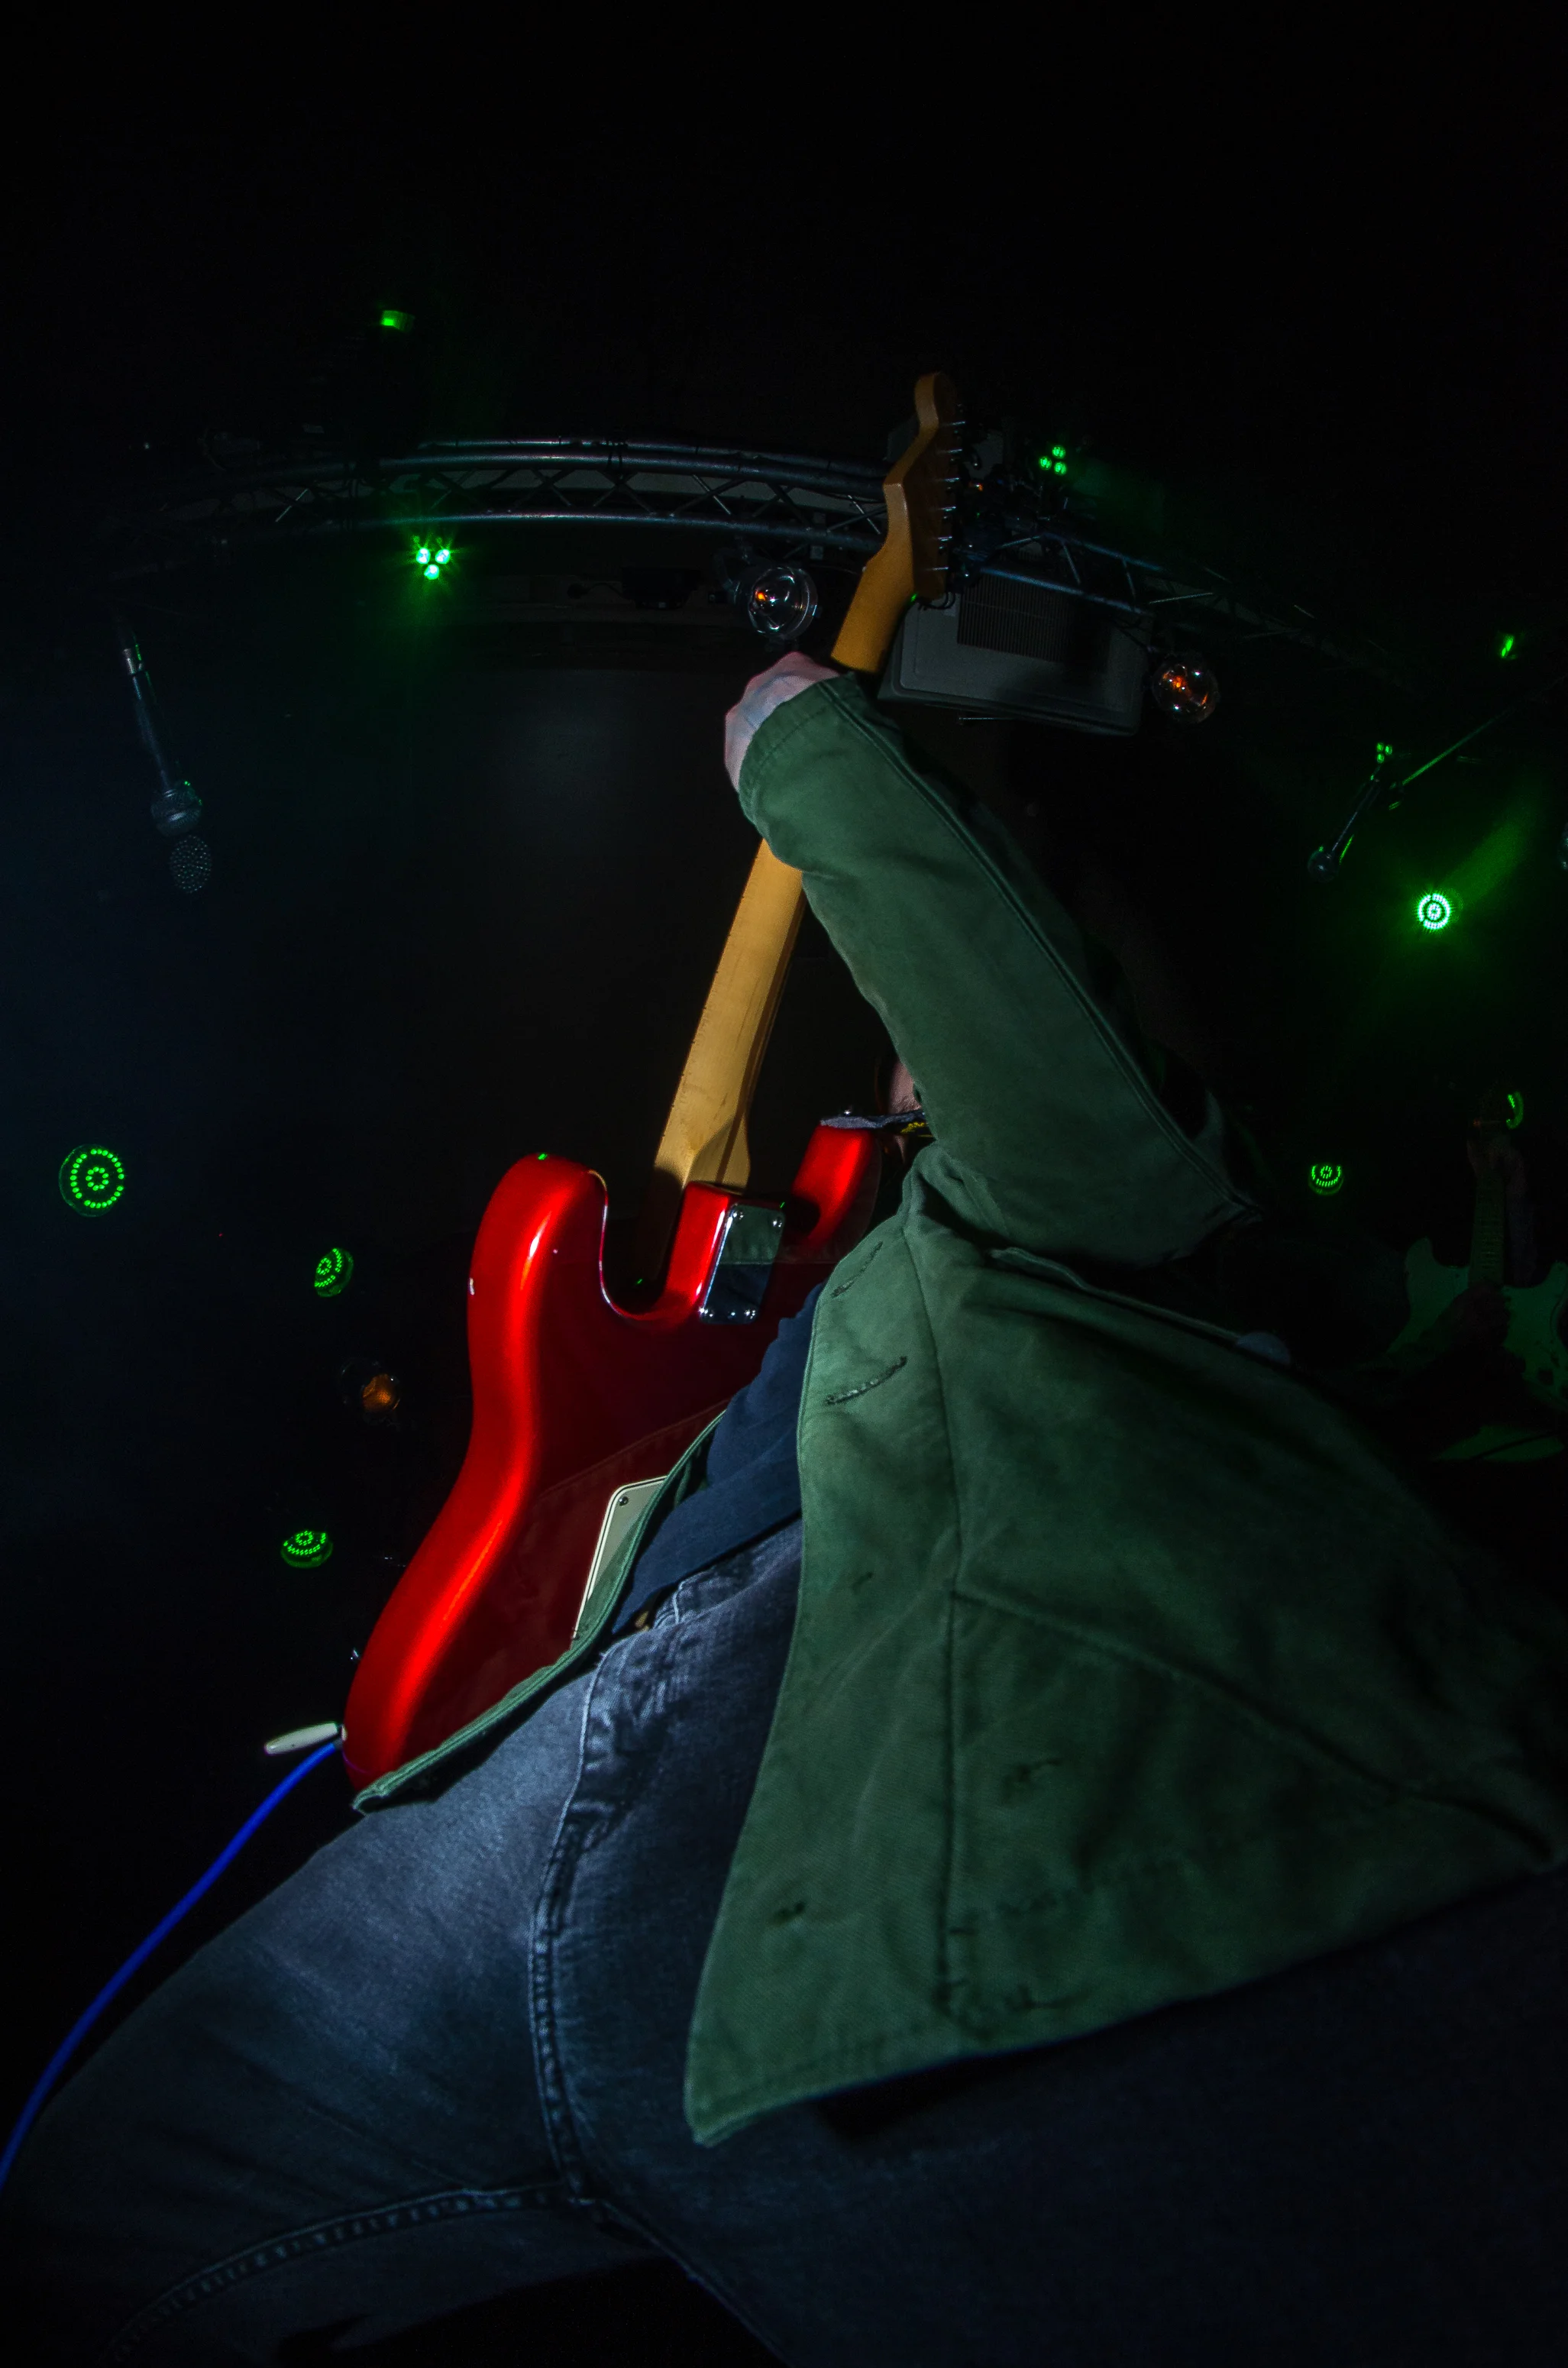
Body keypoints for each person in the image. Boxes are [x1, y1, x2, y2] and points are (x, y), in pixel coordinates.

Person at [7, 652, 1568, 2366]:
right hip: (1110, 1943)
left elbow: (1090, 1121)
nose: (916, 1063)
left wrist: (812, 743)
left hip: (786, 1820)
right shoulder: (1272, 1387)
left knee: (97, 2228)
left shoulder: (1142, 1234)